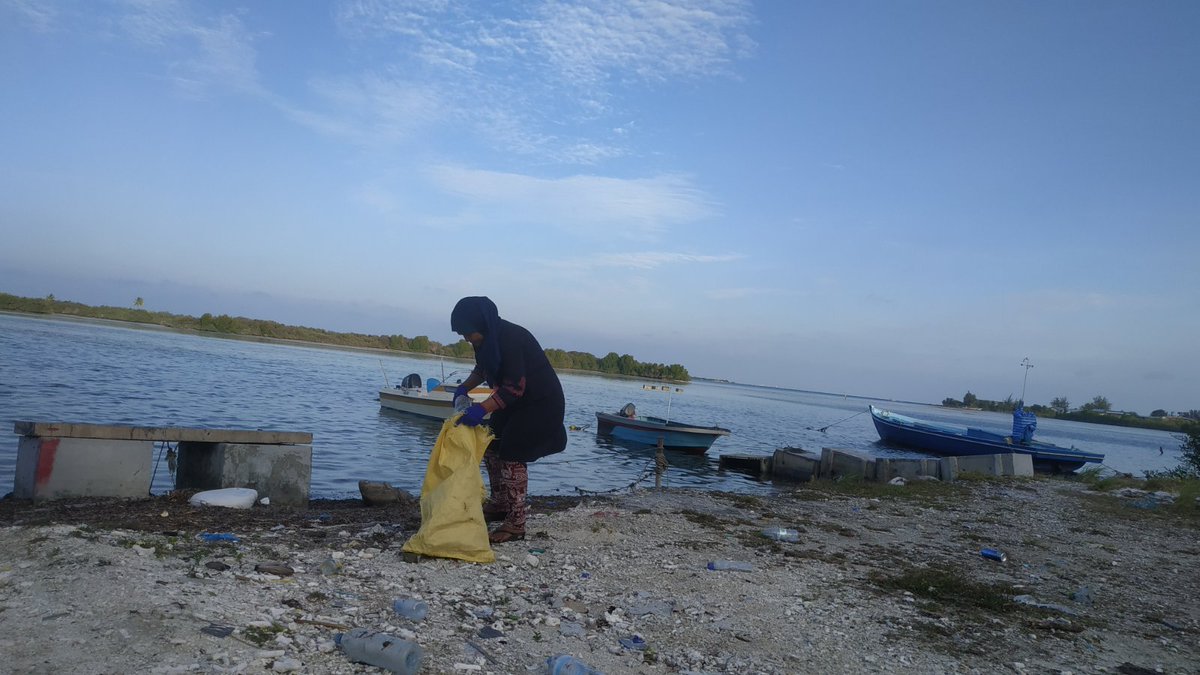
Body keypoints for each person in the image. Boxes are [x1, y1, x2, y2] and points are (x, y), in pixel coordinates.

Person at [449, 296, 567, 543]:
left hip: (541, 404)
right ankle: (500, 504)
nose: (466, 338)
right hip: (516, 403)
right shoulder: (485, 340)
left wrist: (480, 410)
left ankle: (516, 523)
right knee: (491, 443)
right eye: (462, 334)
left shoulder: (512, 338)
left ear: (481, 324)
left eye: (468, 333)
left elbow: (514, 388)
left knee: (512, 451)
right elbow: (483, 369)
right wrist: (463, 388)